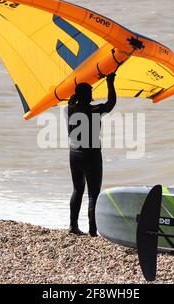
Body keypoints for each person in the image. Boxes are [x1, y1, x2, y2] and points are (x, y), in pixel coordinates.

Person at [67, 73, 117, 236]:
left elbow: (71, 100)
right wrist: (110, 83)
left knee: (77, 189)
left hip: (74, 154)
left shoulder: (71, 109)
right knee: (93, 194)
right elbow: (111, 103)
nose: (92, 95)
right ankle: (92, 231)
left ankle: (73, 226)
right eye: (90, 92)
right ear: (87, 96)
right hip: (91, 155)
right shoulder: (94, 109)